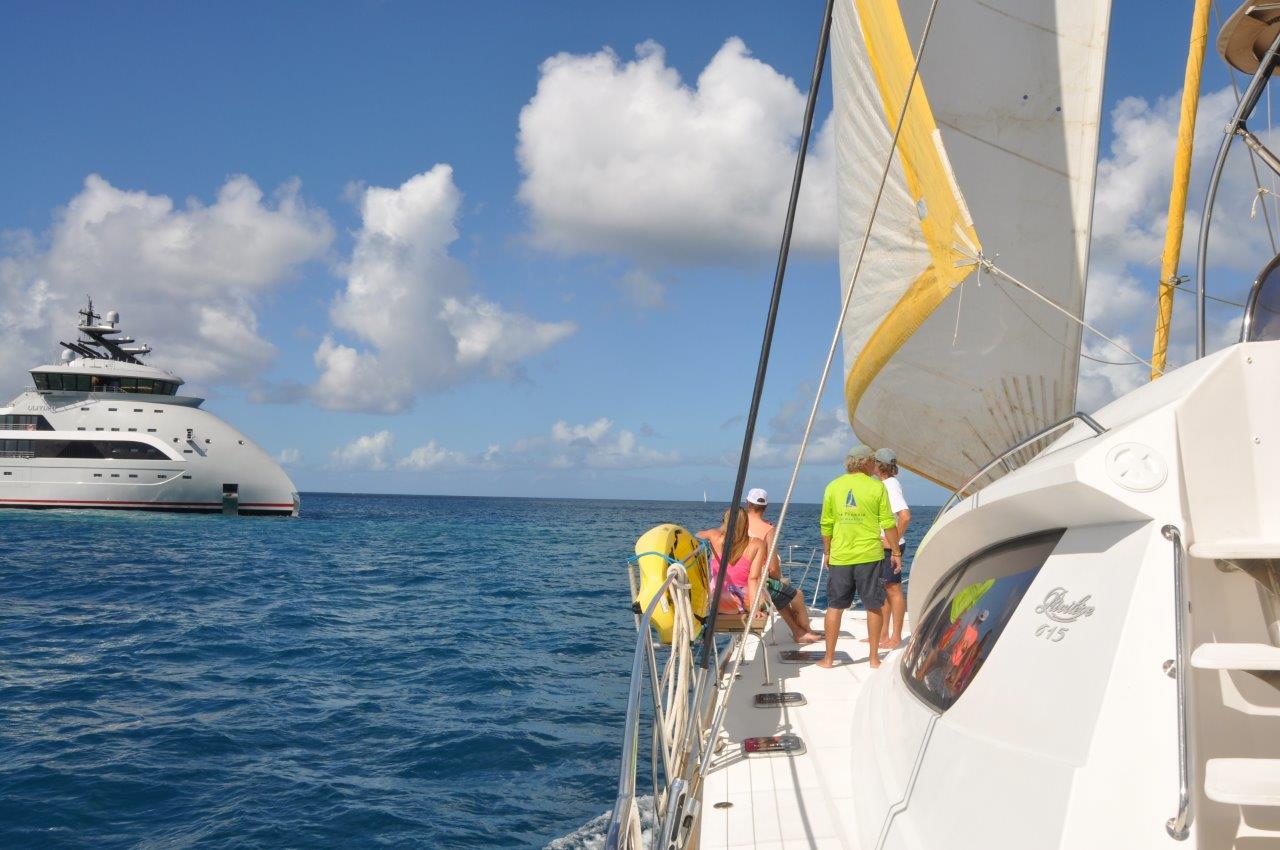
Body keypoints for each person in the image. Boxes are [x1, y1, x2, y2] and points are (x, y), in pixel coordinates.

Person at [818, 445, 902, 668]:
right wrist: (895, 552)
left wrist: (827, 552)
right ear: (865, 463)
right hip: (869, 556)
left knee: (834, 606)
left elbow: (826, 524)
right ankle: (874, 659)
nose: (874, 465)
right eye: (873, 461)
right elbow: (888, 522)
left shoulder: (833, 486)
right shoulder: (877, 487)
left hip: (841, 556)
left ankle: (828, 659)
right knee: (873, 605)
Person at [743, 487, 822, 642]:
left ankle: (799, 632)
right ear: (765, 507)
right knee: (797, 595)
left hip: (737, 579)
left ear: (747, 503)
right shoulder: (768, 529)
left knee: (780, 594)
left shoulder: (738, 524)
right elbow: (773, 567)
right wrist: (778, 578)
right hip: (757, 581)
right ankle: (805, 630)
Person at [872, 448, 911, 649]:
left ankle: (896, 637)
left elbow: (905, 515)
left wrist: (893, 540)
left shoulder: (889, 485)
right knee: (885, 588)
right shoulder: (886, 484)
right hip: (885, 546)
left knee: (894, 590)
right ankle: (883, 634)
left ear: (879, 465)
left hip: (890, 548)